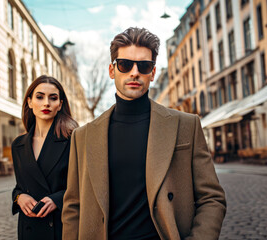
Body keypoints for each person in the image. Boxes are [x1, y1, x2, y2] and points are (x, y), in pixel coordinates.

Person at [62, 27, 226, 240]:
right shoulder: (83, 137)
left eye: (144, 65)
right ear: (112, 71)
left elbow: (211, 198)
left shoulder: (186, 125)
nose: (134, 72)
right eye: (125, 64)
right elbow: (73, 207)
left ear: (153, 73)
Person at [12, 75, 78, 240]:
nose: (46, 103)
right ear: (29, 102)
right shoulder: (18, 145)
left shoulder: (73, 139)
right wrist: (19, 197)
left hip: (61, 226)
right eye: (40, 97)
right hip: (29, 227)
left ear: (60, 104)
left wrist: (56, 199)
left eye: (53, 98)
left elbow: (83, 186)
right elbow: (19, 186)